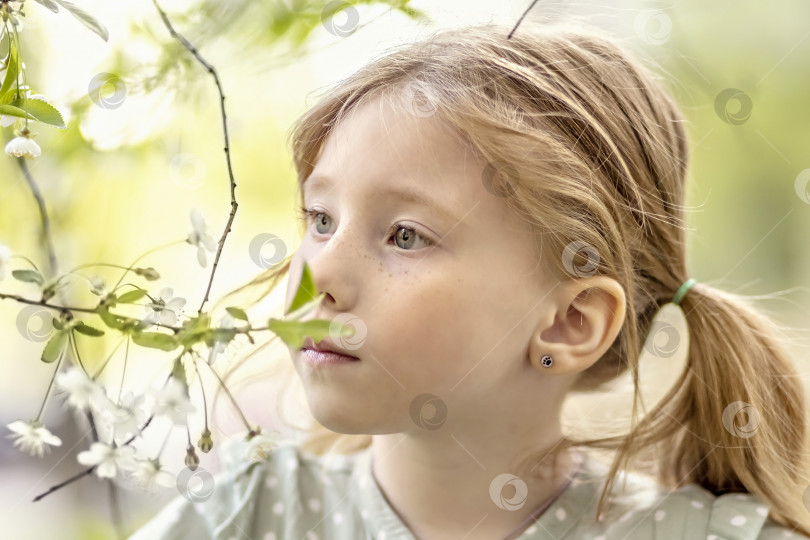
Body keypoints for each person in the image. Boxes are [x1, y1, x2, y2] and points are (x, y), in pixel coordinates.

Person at [128, 20, 810, 540]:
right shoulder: (241, 519)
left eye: (404, 236)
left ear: (569, 322)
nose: (321, 274)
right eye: (320, 219)